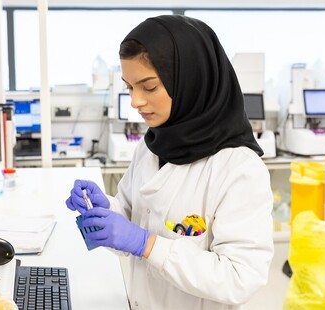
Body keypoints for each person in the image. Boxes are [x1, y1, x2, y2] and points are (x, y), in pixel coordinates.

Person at [66, 15, 274, 310]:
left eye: (148, 87)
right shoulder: (152, 145)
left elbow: (240, 278)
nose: (136, 101)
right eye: (129, 87)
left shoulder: (238, 167)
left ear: (191, 81)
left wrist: (147, 244)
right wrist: (104, 209)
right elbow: (132, 218)